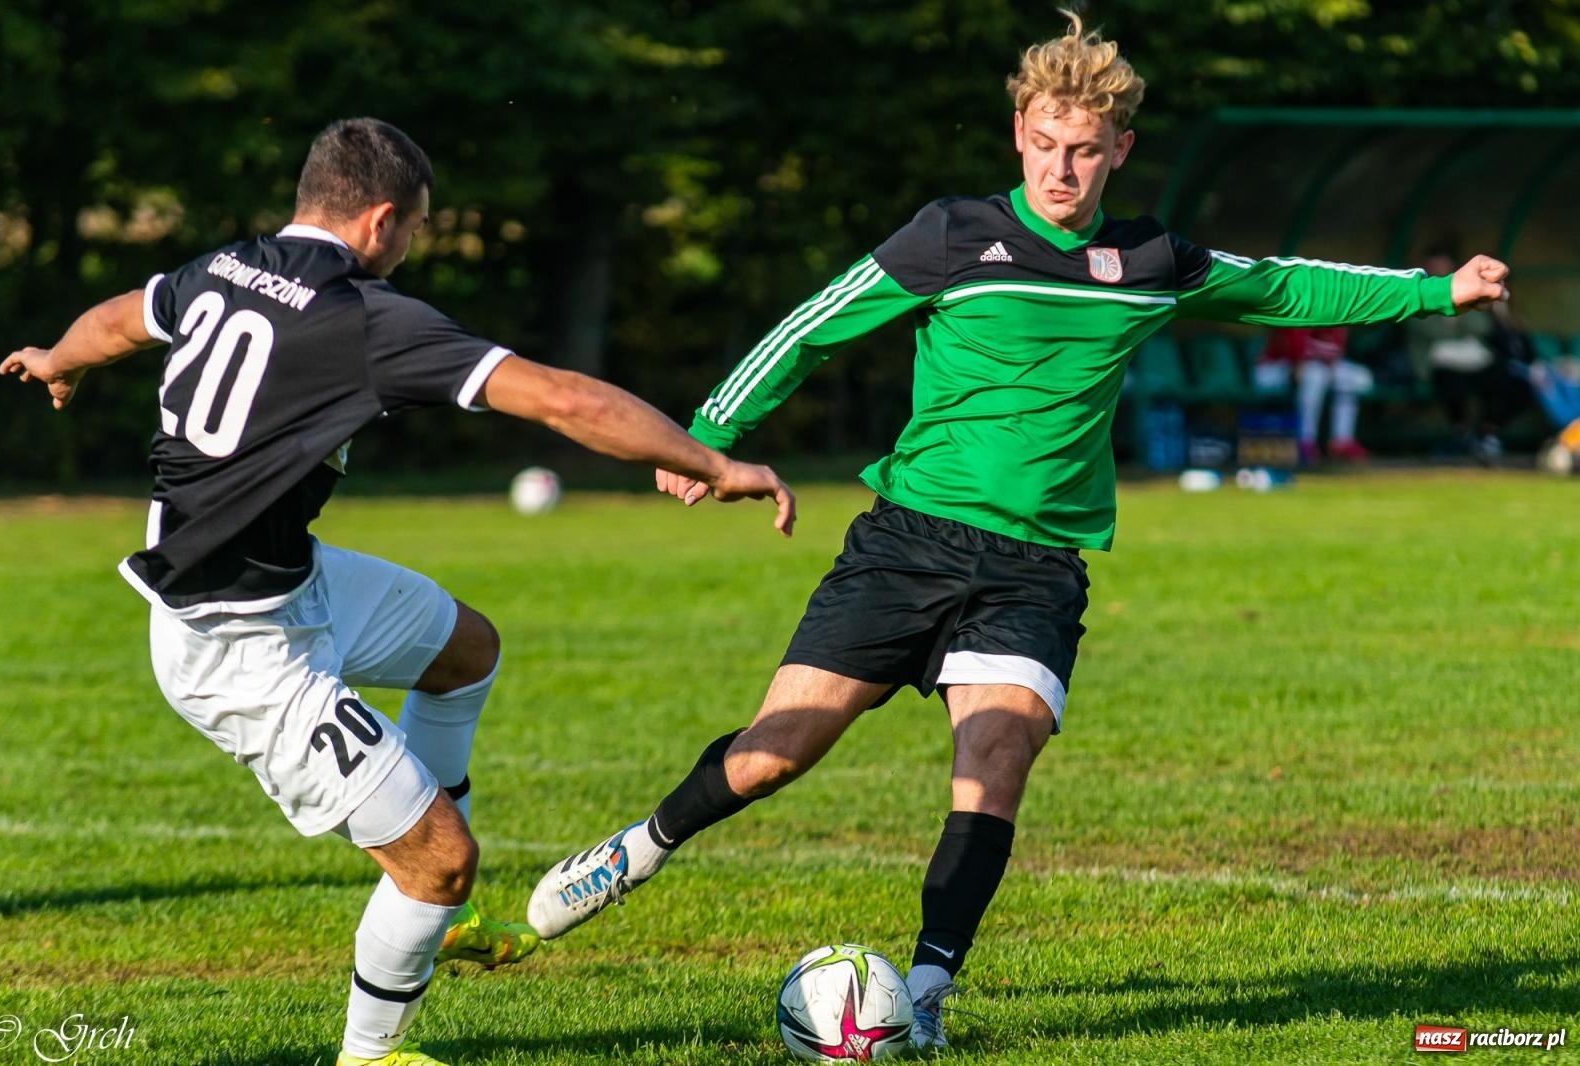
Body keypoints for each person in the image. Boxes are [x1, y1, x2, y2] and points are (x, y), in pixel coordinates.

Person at [524, 13, 1510, 1051]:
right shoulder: (953, 236)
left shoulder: (1149, 258)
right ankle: (637, 848)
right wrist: (707, 436)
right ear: (1018, 135)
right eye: (1045, 144)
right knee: (775, 755)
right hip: (907, 544)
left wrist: (1436, 291)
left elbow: (1280, 285)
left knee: (993, 760)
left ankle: (924, 993)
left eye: (1084, 150)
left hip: (1035, 568)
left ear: (1119, 149)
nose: (1061, 169)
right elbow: (815, 324)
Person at [0, 118, 795, 1066]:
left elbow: (120, 320)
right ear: (380, 220)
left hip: (289, 578)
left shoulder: (221, 268)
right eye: (414, 229)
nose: (410, 248)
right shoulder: (364, 319)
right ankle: (372, 1050)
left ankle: (432, 915)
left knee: (466, 650)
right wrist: (715, 463)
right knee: (442, 861)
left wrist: (57, 361)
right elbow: (564, 399)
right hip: (236, 648)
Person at [1406, 248, 1528, 459]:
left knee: (1510, 382)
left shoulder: (1463, 289)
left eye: (1443, 266)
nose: (1439, 271)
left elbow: (1482, 326)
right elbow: (1426, 327)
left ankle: (1489, 433)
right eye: (1435, 266)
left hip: (1473, 362)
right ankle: (1462, 435)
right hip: (1437, 366)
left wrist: (1457, 312)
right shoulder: (1415, 290)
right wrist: (1454, 315)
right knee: (1451, 383)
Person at [1253, 326, 1373, 464]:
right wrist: (1302, 363)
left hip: (1312, 366)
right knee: (1315, 376)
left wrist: (1330, 366)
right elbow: (1295, 354)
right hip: (1274, 368)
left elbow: (1333, 352)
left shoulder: (1336, 320)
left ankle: (1342, 441)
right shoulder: (1301, 315)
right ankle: (1306, 441)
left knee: (1355, 378)